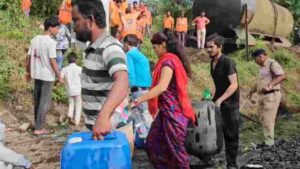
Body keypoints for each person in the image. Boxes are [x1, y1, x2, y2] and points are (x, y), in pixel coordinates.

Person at [72, 0, 134, 154]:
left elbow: (122, 80)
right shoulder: (93, 48)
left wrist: (103, 116)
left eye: (76, 20)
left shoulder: (109, 47)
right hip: (97, 132)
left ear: (90, 20)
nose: (73, 26)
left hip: (111, 133)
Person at [132, 30, 195, 169]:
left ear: (163, 45)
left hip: (174, 114)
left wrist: (140, 99)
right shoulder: (169, 60)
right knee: (152, 144)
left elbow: (161, 87)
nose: (154, 51)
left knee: (177, 153)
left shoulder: (168, 61)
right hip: (165, 112)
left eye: (155, 48)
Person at [206, 33, 240, 169]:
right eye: (207, 47)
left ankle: (231, 164)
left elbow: (234, 84)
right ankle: (209, 159)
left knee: (231, 135)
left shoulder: (227, 62)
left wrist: (220, 99)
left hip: (230, 104)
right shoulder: (212, 63)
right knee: (215, 132)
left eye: (211, 47)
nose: (208, 50)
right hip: (218, 103)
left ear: (219, 47)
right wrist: (210, 97)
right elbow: (217, 85)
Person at [26, 16, 63, 136]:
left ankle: (37, 124)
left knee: (37, 100)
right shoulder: (51, 42)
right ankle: (39, 128)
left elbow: (28, 58)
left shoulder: (35, 39)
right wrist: (59, 76)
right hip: (47, 76)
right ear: (51, 28)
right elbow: (52, 61)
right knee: (44, 102)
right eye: (57, 28)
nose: (57, 30)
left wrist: (28, 72)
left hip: (36, 74)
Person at [248, 49, 286, 147]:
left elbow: (281, 76)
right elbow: (260, 82)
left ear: (260, 57)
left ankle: (269, 143)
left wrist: (270, 85)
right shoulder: (262, 68)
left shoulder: (272, 64)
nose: (255, 61)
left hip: (271, 95)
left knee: (268, 119)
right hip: (262, 96)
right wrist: (252, 91)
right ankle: (268, 139)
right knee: (262, 117)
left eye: (255, 59)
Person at [61, 52, 82, 126]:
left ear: (68, 60)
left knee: (71, 103)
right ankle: (76, 122)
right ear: (76, 60)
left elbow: (61, 78)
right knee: (78, 105)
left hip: (69, 89)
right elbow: (83, 79)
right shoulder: (79, 69)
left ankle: (70, 115)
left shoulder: (64, 69)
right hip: (77, 90)